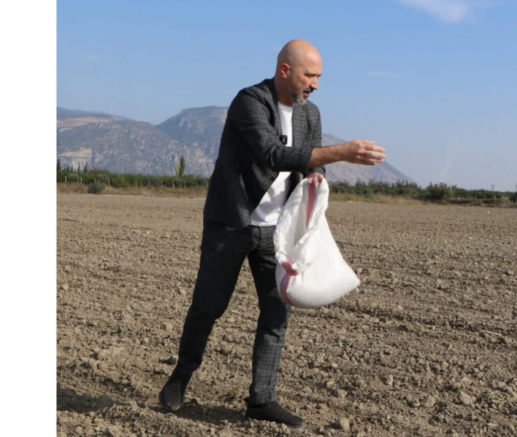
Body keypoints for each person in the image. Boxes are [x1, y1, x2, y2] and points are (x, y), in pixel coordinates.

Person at [158, 39, 386, 428]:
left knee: (276, 315)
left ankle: (261, 400)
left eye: (318, 77)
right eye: (310, 75)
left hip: (276, 233)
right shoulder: (249, 102)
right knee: (208, 308)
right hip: (231, 224)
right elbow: (272, 155)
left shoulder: (309, 113)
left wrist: (318, 176)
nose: (315, 85)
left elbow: (309, 161)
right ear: (286, 71)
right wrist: (341, 152)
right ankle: (180, 377)